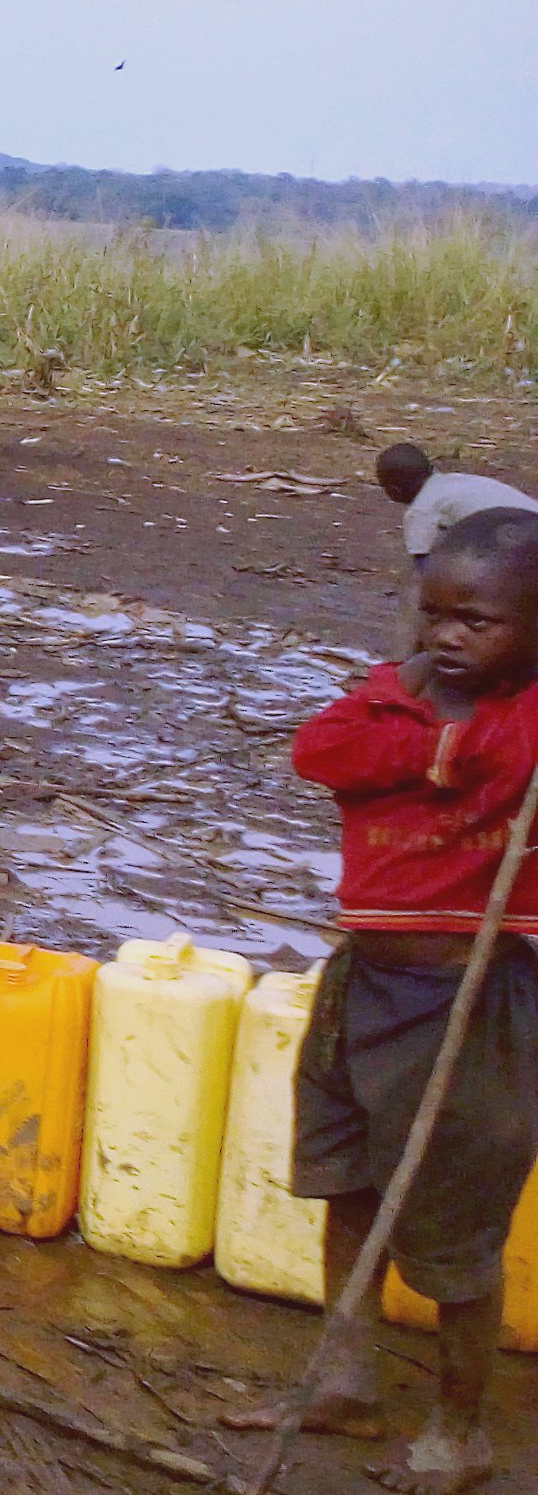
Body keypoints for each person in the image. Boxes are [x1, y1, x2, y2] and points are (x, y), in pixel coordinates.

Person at [236, 508, 538, 1495]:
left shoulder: (529, 720)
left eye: (479, 620)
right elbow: (321, 754)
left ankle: (461, 1428)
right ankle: (347, 1378)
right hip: (363, 978)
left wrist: (432, 737)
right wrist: (424, 719)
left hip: (470, 1000)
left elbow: (497, 758)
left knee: (453, 1225)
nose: (447, 635)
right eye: (435, 612)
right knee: (347, 1176)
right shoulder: (392, 697)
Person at [379, 444, 538, 567]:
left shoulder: (421, 509)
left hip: (525, 541)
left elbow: (424, 567)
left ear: (394, 491)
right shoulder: (455, 481)